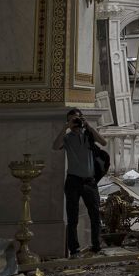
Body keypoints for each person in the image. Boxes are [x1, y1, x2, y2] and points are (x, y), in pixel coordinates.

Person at [51, 107, 107, 257]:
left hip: (89, 181)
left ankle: (96, 246)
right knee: (72, 217)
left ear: (82, 119)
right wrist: (65, 127)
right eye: (72, 119)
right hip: (73, 181)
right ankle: (74, 250)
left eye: (77, 119)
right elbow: (55, 146)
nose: (75, 122)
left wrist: (88, 126)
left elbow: (104, 142)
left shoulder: (88, 135)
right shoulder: (67, 138)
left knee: (95, 215)